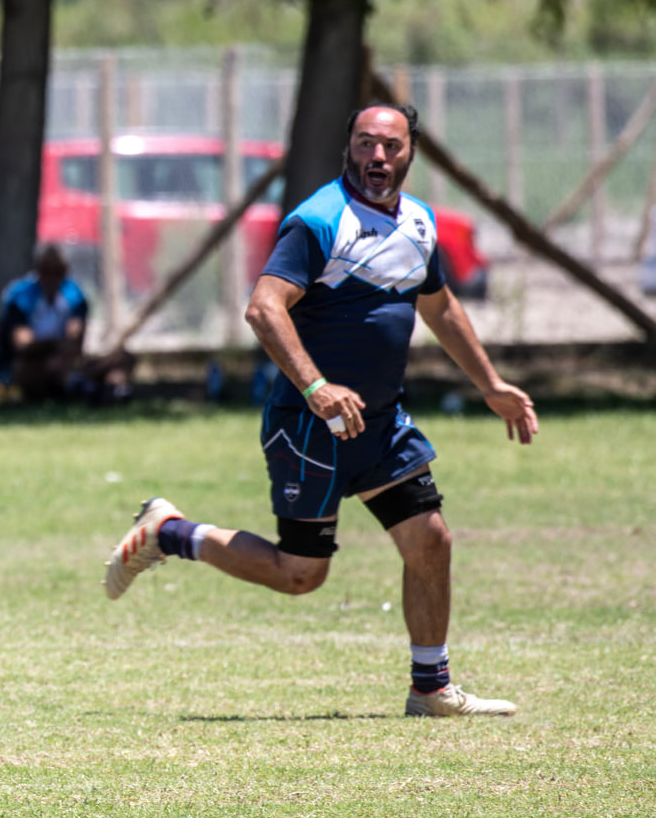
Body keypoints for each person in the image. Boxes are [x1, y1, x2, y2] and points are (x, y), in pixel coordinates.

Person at [103, 104, 537, 717]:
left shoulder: (420, 222)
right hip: (309, 426)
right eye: (365, 144)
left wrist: (490, 383)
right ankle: (169, 533)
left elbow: (439, 309)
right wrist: (316, 388)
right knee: (300, 574)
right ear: (348, 148)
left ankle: (431, 688)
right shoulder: (318, 220)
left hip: (381, 424)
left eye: (389, 146)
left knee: (430, 540)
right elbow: (264, 309)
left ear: (411, 152)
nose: (376, 158)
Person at [0, 243, 133, 404]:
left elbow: (75, 338)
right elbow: (23, 345)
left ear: (65, 271)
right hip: (31, 365)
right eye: (46, 271)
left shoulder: (73, 295)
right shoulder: (21, 296)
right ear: (38, 270)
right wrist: (54, 347)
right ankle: (81, 389)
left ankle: (110, 390)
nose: (52, 277)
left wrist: (64, 352)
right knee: (40, 367)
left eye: (57, 272)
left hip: (65, 361)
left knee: (123, 358)